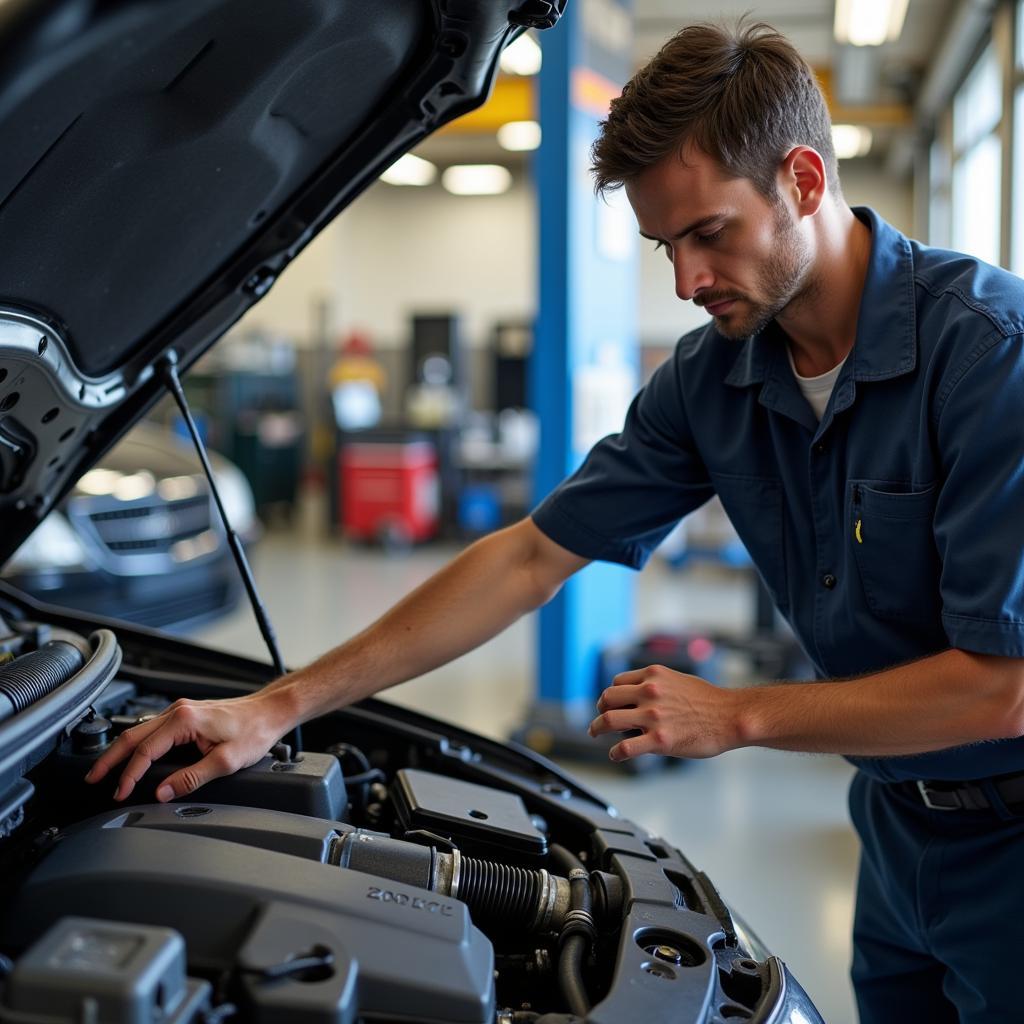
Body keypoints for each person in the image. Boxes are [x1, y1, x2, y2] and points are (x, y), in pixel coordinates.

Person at [87, 21, 1024, 1023]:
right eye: (665, 246)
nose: (684, 282)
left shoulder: (988, 360)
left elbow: (1001, 689)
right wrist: (279, 705)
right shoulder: (713, 379)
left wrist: (737, 712)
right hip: (892, 825)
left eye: (710, 233)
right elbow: (530, 556)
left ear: (801, 178)